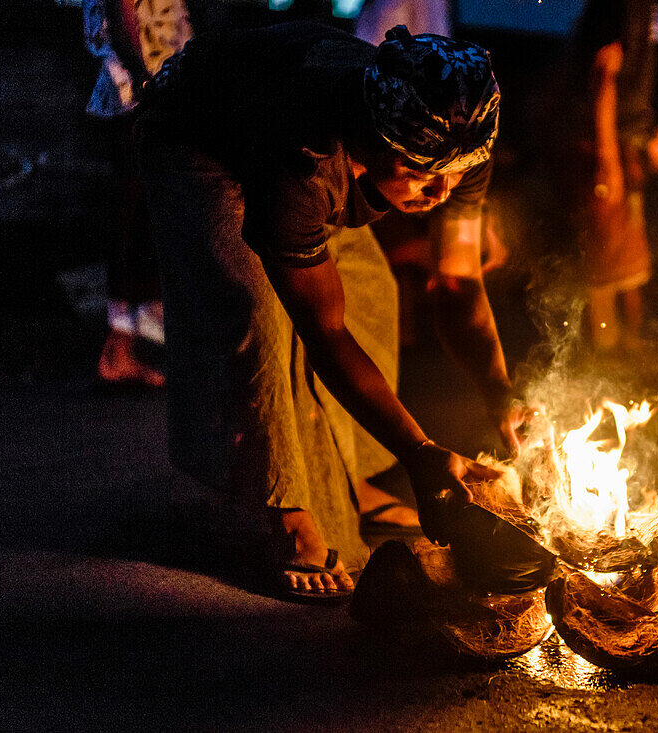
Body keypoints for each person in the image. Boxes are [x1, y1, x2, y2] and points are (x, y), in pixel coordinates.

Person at [136, 22, 522, 599]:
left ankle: (352, 474)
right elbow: (324, 332)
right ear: (372, 144)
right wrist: (420, 453)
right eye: (417, 173)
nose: (439, 192)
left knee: (371, 291)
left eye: (452, 174)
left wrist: (499, 391)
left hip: (288, 132)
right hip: (200, 138)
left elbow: (457, 283)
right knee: (257, 317)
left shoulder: (457, 138)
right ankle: (285, 511)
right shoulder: (304, 162)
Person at [82, 0, 194, 388]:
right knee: (136, 214)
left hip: (151, 86)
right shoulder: (141, 80)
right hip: (138, 91)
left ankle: (129, 345)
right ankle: (118, 350)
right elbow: (121, 8)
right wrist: (144, 78)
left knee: (146, 214)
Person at [567, 0, 658, 353]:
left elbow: (629, 92)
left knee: (629, 257)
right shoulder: (622, 8)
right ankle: (604, 348)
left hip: (623, 145)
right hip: (603, 146)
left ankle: (629, 344)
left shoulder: (644, 8)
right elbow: (605, 75)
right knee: (604, 263)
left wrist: (648, 134)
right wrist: (607, 159)